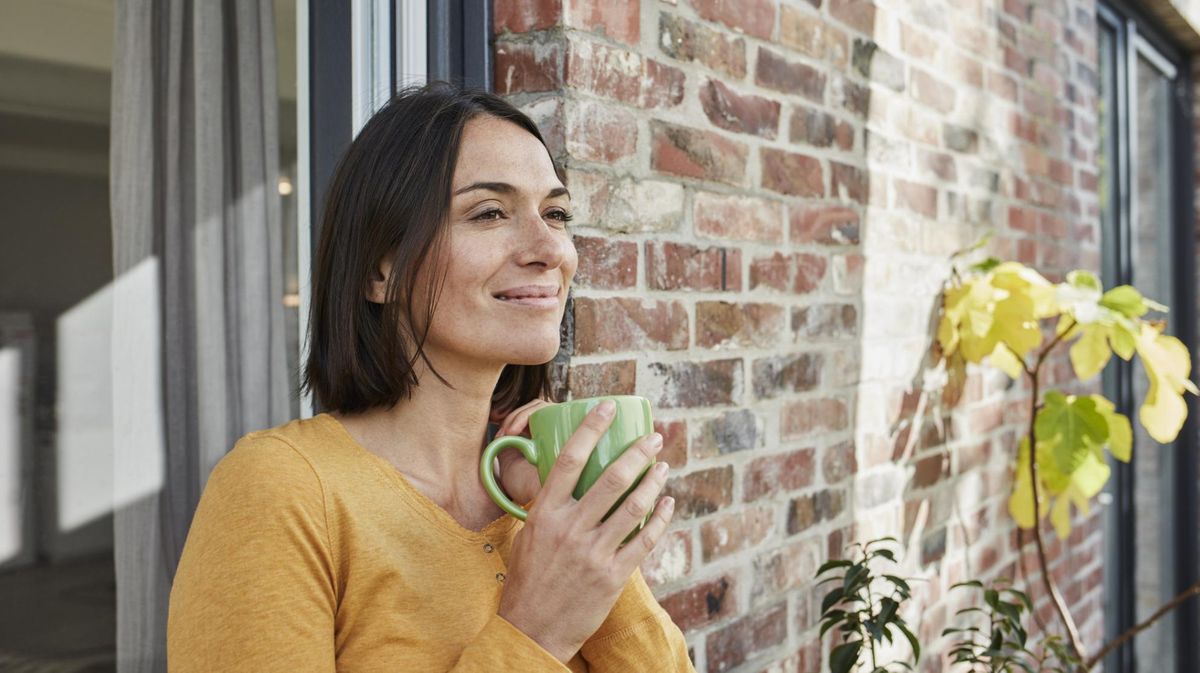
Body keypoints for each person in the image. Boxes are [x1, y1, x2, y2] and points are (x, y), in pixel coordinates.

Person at [166, 82, 695, 672]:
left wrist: (589, 541)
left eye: (557, 213)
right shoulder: (283, 489)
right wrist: (535, 630)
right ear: (379, 270)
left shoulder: (533, 496)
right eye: (490, 212)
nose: (551, 249)